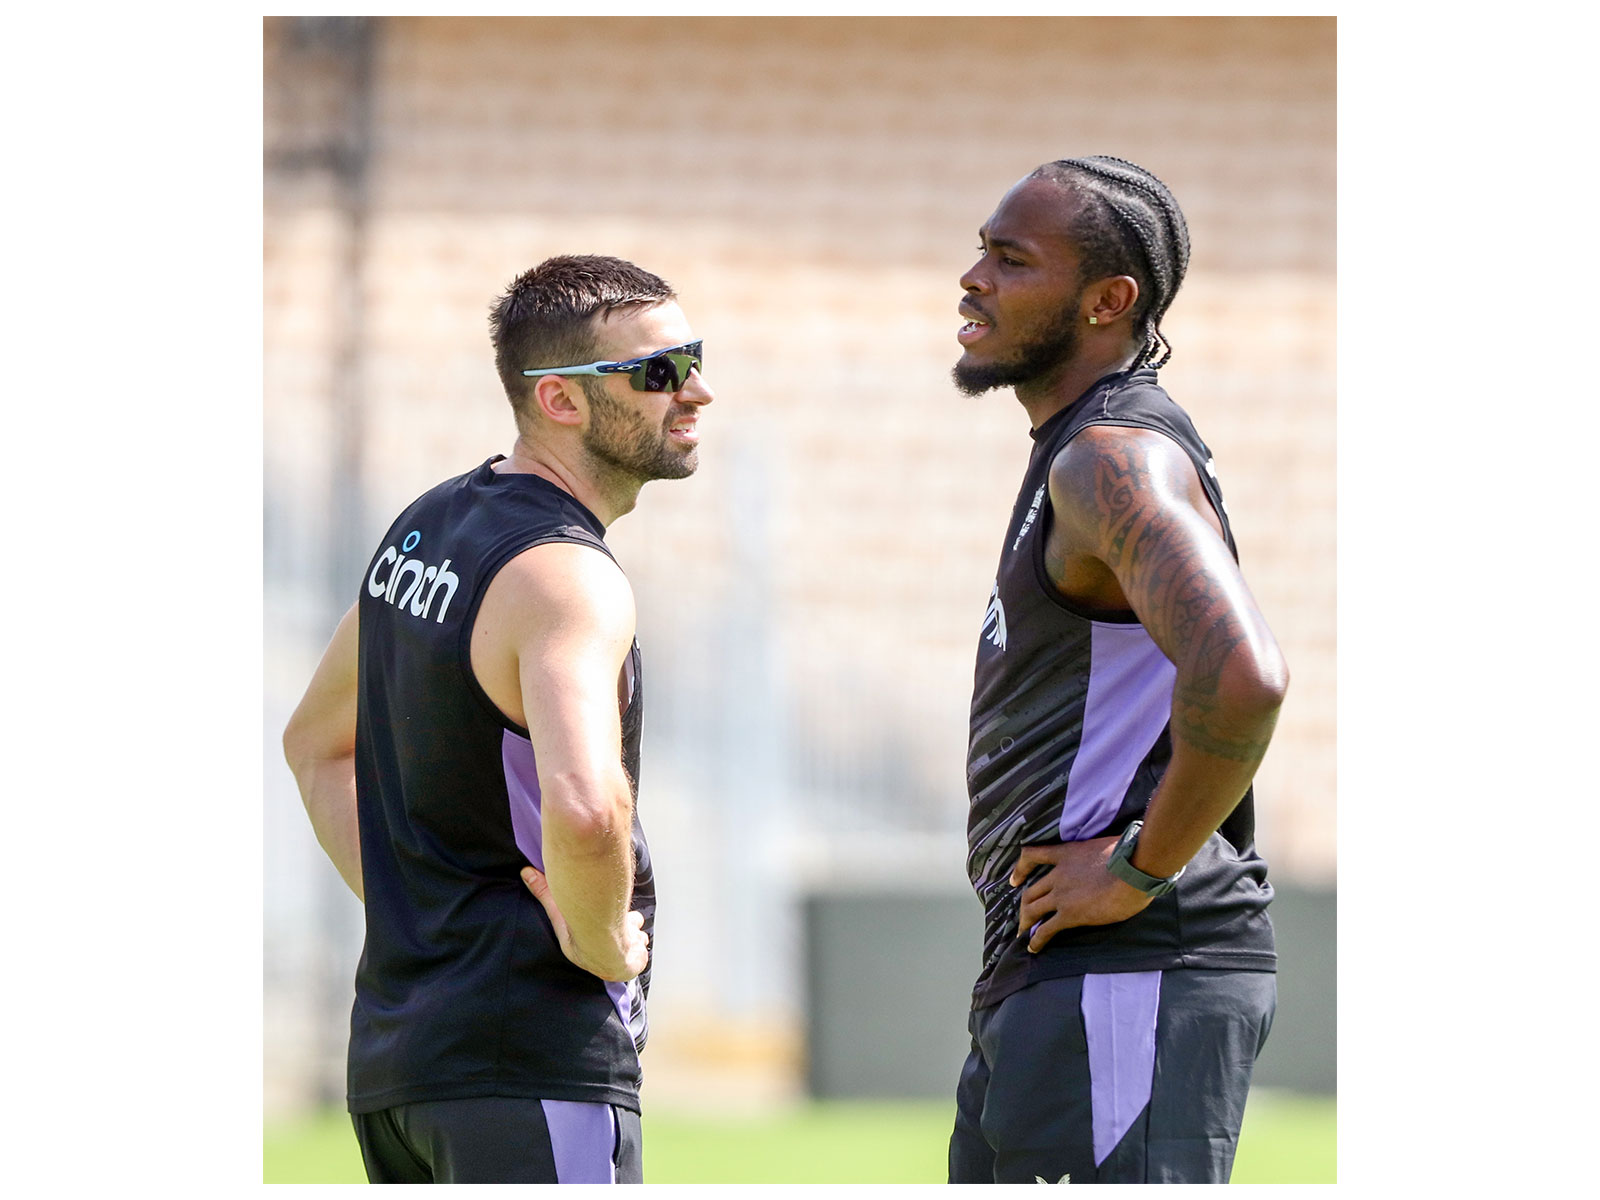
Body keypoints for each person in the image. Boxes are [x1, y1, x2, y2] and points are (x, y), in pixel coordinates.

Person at [282, 254, 714, 1183]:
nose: (697, 391)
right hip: (531, 1062)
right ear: (560, 399)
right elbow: (588, 806)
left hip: (401, 1070)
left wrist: (427, 917)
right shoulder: (568, 577)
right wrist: (602, 942)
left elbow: (313, 748)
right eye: (659, 371)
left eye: (694, 359)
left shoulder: (425, 527)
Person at [946, 157, 1289, 1185]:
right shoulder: (1074, 450)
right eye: (981, 250)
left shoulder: (1112, 458)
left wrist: (1140, 867)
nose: (972, 277)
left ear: (1108, 301)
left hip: (1131, 965)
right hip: (1054, 968)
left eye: (1011, 259)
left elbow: (1243, 674)